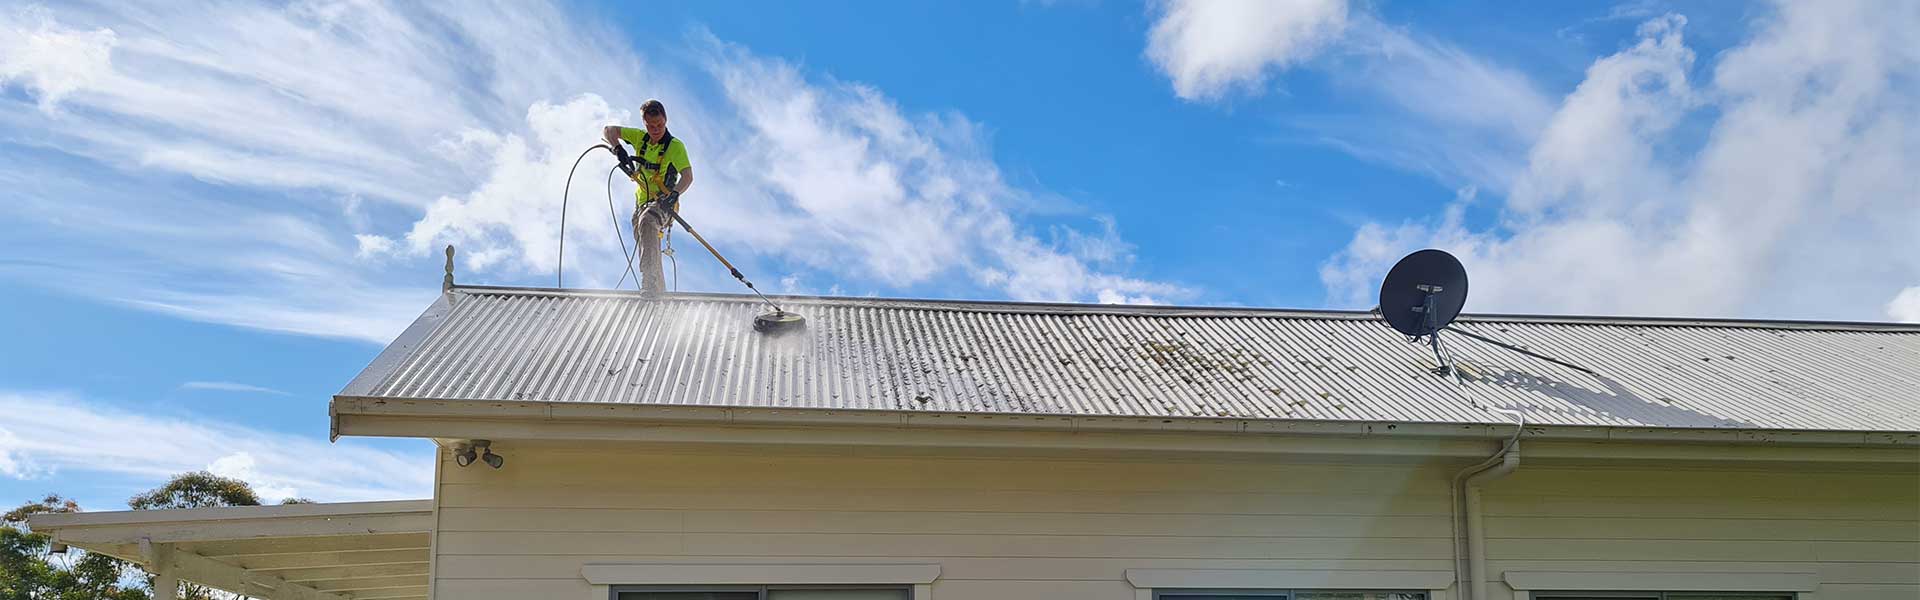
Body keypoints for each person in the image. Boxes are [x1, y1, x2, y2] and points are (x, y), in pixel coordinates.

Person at [602, 99, 693, 297]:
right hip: (641, 204)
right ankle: (657, 291)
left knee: (648, 221)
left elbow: (687, 176)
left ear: (665, 120)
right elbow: (609, 130)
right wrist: (618, 148)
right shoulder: (639, 138)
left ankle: (650, 284)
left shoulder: (675, 147)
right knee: (645, 239)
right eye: (651, 126)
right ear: (644, 123)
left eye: (659, 124)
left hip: (664, 203)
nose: (656, 129)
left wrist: (674, 194)